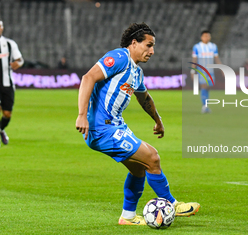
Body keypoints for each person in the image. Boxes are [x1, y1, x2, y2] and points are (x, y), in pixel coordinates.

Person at [76, 22, 200, 225]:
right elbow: (88, 77)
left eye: (153, 47)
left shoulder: (136, 72)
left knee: (139, 169)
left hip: (115, 126)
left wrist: (158, 121)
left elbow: (144, 98)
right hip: (101, 128)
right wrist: (82, 115)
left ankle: (128, 217)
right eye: (148, 45)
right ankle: (173, 204)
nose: (152, 51)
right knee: (152, 157)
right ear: (134, 43)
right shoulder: (119, 57)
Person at [0, 18, 24, 148]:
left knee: (7, 114)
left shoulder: (10, 44)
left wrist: (18, 63)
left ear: (3, 28)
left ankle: (0, 129)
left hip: (8, 84)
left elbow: (20, 59)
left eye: (0, 26)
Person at [192, 30, 222, 113]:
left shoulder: (213, 46)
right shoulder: (197, 47)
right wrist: (192, 70)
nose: (206, 38)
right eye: (205, 36)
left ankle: (206, 105)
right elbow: (194, 59)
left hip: (210, 71)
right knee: (204, 86)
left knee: (208, 87)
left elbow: (216, 58)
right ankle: (204, 107)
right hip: (201, 70)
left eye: (208, 36)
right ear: (202, 37)